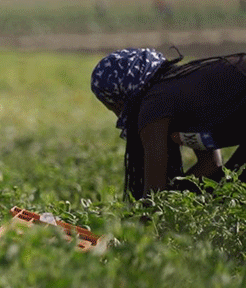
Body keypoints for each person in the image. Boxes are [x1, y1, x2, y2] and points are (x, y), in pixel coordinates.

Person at [91, 48, 246, 199]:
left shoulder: (153, 106)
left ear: (120, 97)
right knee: (230, 186)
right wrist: (178, 196)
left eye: (114, 108)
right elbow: (210, 165)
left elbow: (154, 194)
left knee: (232, 190)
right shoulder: (178, 85)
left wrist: (142, 214)